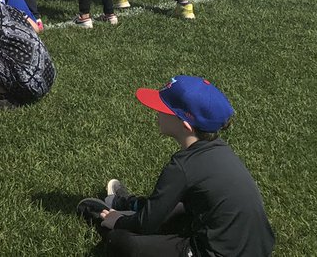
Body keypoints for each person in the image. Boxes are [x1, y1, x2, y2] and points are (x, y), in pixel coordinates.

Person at [77, 75, 275, 256]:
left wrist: (117, 221)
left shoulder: (182, 166)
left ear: (185, 125)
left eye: (164, 109)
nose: (156, 111)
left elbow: (145, 225)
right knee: (176, 209)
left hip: (215, 252)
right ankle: (132, 205)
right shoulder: (220, 150)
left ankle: (106, 218)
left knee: (121, 242)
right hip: (257, 248)